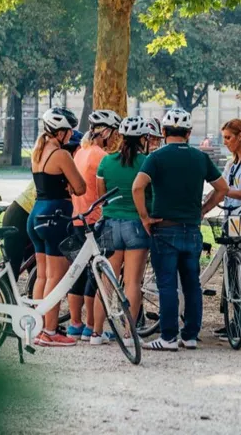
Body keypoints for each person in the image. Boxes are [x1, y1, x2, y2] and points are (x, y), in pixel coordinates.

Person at [132, 108, 229, 351]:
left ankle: (167, 337)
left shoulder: (156, 157)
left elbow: (137, 187)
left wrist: (145, 217)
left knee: (167, 285)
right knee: (192, 284)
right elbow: (222, 188)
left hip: (164, 228)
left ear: (163, 132)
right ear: (188, 133)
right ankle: (190, 335)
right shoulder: (200, 158)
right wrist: (204, 209)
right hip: (191, 229)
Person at [27, 107, 86, 347]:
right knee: (57, 277)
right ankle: (51, 332)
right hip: (55, 215)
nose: (71, 135)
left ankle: (38, 327)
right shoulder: (61, 155)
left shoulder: (37, 151)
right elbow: (80, 187)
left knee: (42, 276)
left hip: (36, 214)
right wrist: (69, 186)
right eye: (69, 131)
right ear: (59, 132)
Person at [91, 116, 152, 346]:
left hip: (110, 224)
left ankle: (96, 333)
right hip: (136, 224)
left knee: (106, 282)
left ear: (122, 136)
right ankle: (129, 335)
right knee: (132, 283)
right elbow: (150, 196)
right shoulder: (147, 162)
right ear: (143, 139)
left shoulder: (106, 162)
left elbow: (101, 196)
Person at [203, 118, 241, 342]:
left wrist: (225, 192)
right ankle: (233, 320)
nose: (226, 142)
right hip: (230, 217)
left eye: (229, 138)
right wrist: (204, 206)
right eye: (224, 138)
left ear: (240, 136)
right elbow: (220, 190)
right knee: (230, 270)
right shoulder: (231, 165)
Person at [66, 109, 121, 341]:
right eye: (114, 133)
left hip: (76, 216)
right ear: (106, 132)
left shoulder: (80, 152)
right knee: (94, 274)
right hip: (94, 219)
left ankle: (75, 324)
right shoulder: (101, 155)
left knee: (77, 273)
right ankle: (91, 326)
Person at [2, 130, 83, 278]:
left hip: (33, 218)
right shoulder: (59, 165)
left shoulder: (55, 164)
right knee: (11, 272)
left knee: (39, 273)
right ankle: (1, 299)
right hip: (20, 215)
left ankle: (35, 300)